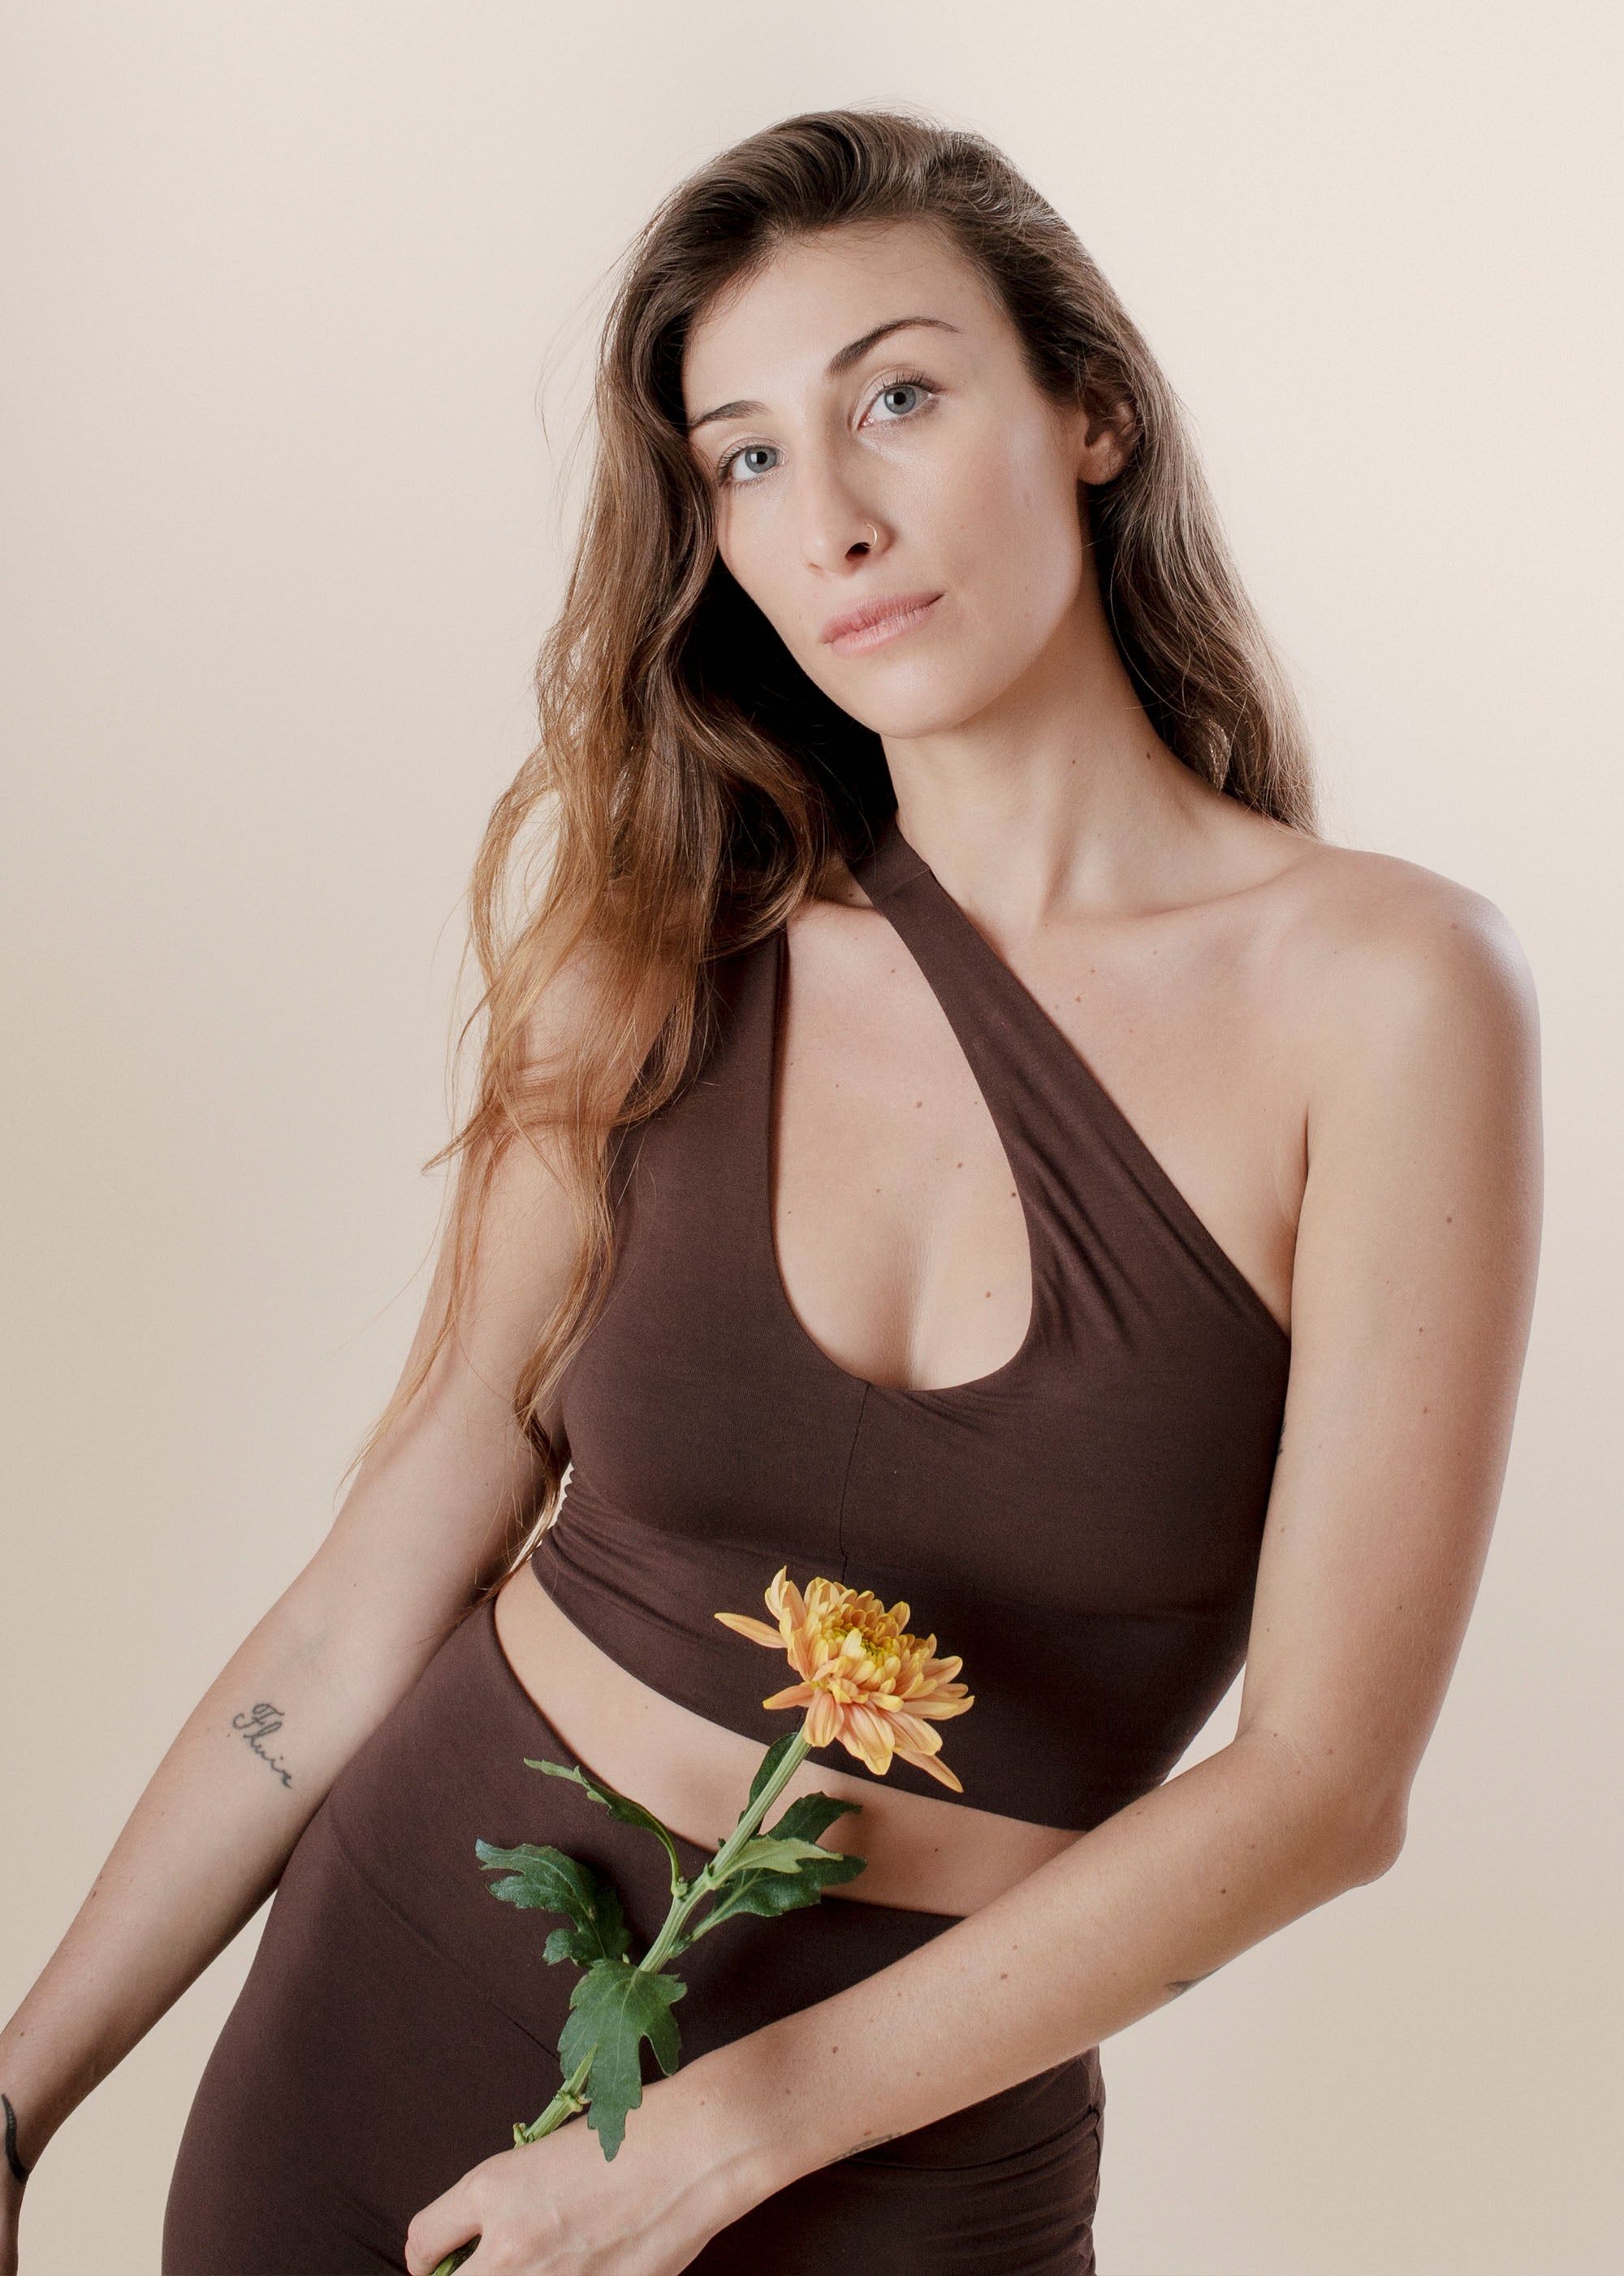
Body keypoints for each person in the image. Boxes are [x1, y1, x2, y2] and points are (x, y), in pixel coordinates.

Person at [0, 110, 1542, 2275]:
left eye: (895, 398)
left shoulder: (1388, 995)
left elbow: (1323, 1784)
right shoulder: (661, 947)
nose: (831, 520)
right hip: (387, 2020)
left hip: (891, 2170)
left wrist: (719, 2136)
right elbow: (370, 1594)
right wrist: (14, 2104)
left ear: (1090, 411)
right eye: (743, 458)